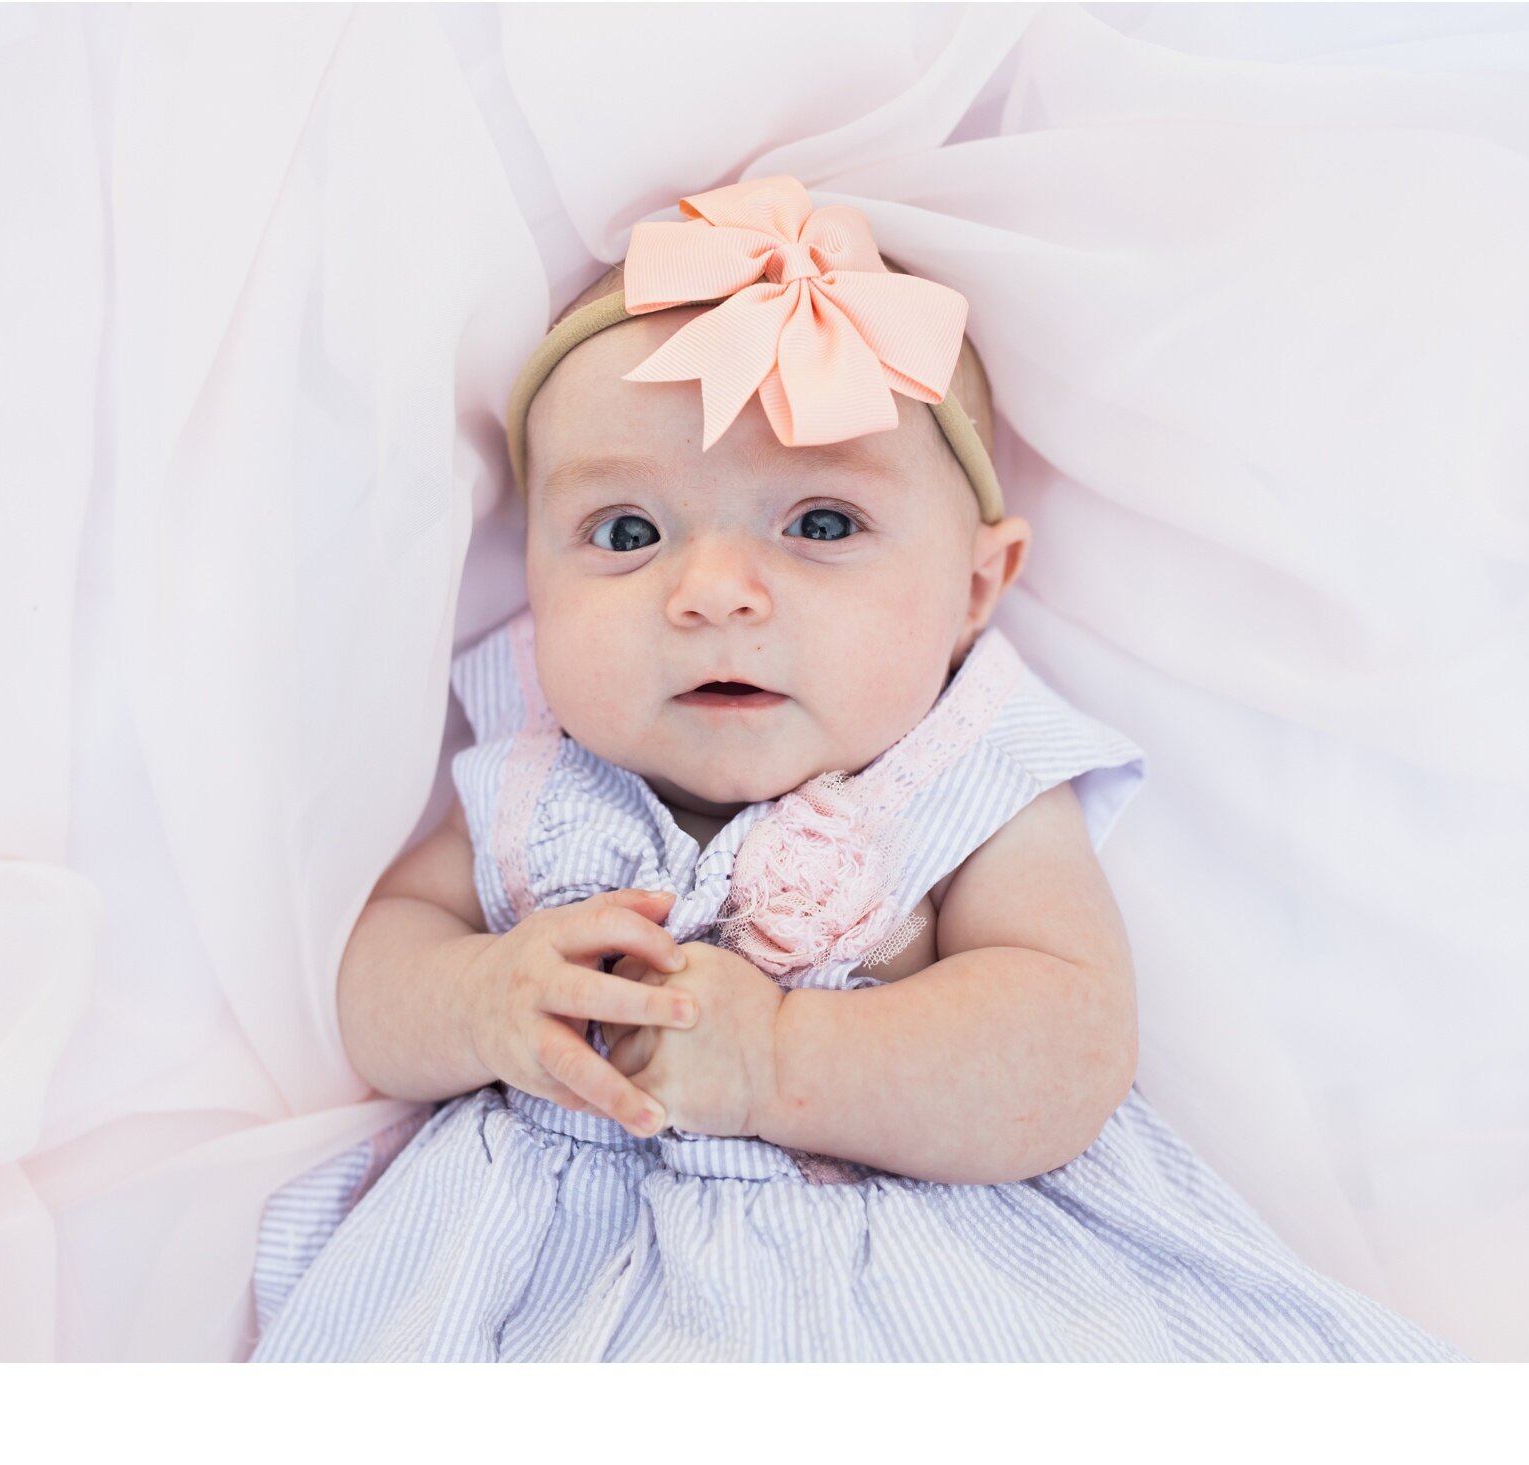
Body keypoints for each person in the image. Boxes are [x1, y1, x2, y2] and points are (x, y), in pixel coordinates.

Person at [250, 175, 1465, 1362]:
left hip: (913, 1265)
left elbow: (1069, 1042)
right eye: (626, 533)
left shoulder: (963, 781)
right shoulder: (531, 775)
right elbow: (381, 969)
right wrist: (476, 1000)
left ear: (975, 588)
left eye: (819, 523)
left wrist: (786, 1060)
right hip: (531, 1273)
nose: (712, 590)